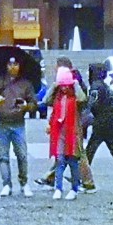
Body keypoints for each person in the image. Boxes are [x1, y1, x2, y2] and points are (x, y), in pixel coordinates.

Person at [0, 55, 36, 197]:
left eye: (15, 64)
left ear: (20, 66)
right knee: (3, 156)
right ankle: (6, 184)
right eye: (10, 64)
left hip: (18, 123)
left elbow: (34, 104)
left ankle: (24, 182)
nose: (12, 67)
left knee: (22, 155)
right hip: (1, 123)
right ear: (6, 66)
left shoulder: (26, 84)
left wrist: (26, 106)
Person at [45, 67, 84, 200]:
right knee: (59, 160)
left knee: (73, 161)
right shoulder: (57, 96)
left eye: (66, 86)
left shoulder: (75, 98)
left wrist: (75, 84)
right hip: (59, 131)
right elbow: (46, 100)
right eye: (62, 86)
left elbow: (82, 98)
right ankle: (58, 188)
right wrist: (54, 85)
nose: (64, 89)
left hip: (72, 133)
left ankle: (74, 188)